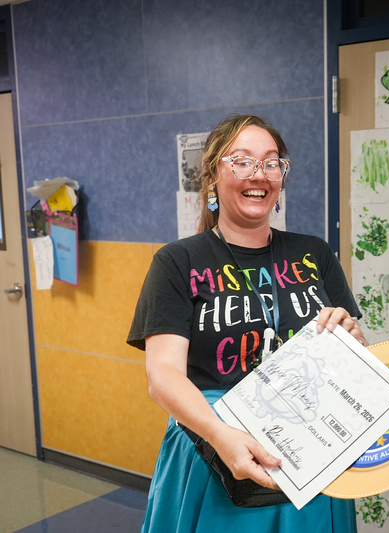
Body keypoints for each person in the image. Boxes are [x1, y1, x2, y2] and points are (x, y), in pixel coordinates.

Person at [128, 114, 364, 533]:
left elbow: (353, 351)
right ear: (212, 176)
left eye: (272, 163)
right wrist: (220, 436)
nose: (260, 174)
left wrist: (350, 335)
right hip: (216, 453)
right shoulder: (177, 262)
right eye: (242, 161)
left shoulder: (315, 254)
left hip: (309, 450)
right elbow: (162, 375)